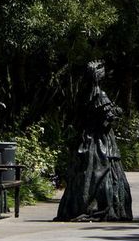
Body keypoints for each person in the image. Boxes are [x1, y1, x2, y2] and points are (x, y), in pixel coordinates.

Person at [56, 60, 134, 221]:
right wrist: (117, 112)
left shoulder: (82, 95)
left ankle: (79, 206)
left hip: (85, 139)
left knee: (85, 175)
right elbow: (107, 120)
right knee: (103, 174)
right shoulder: (100, 95)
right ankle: (101, 206)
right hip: (100, 141)